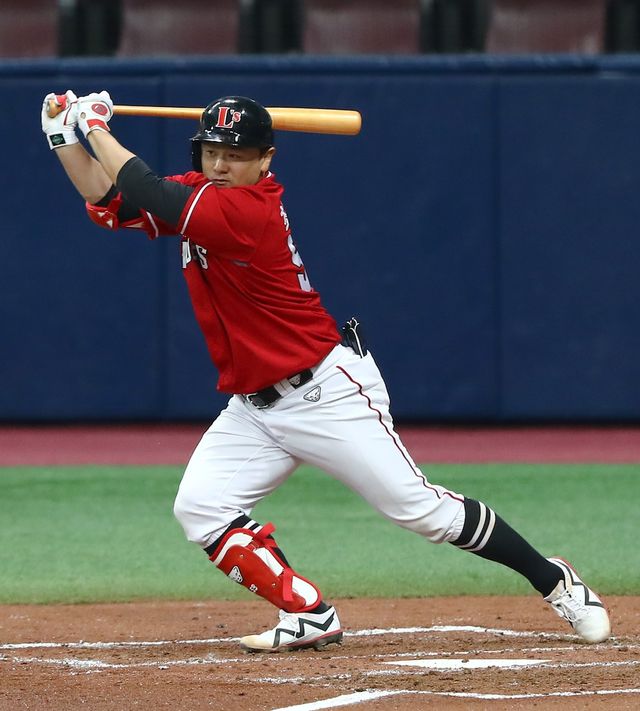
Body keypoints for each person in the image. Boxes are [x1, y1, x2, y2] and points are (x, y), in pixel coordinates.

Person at [41, 89, 611, 652]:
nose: (220, 165)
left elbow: (144, 187)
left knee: (422, 512)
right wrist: (64, 134)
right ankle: (308, 612)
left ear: (265, 160)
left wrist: (97, 127)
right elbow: (111, 201)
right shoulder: (202, 193)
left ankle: (554, 579)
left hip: (324, 392)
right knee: (201, 508)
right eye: (212, 152)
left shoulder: (248, 209)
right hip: (254, 407)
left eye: (236, 155)